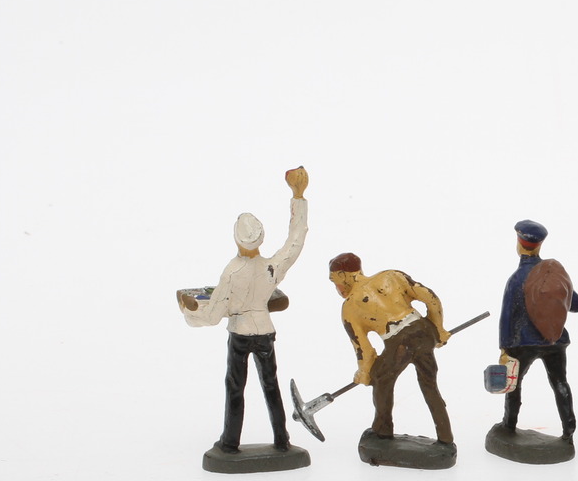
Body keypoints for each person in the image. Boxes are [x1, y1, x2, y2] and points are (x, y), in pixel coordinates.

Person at [182, 167, 308, 453]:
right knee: (271, 386)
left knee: (235, 388)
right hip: (265, 332)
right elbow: (295, 241)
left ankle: (230, 442)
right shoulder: (271, 268)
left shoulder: (231, 272)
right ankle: (282, 439)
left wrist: (190, 313)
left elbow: (212, 316)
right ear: (262, 238)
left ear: (236, 239)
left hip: (240, 334)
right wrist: (298, 196)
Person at [327, 253, 454, 446]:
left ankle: (382, 432)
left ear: (343, 275)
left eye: (334, 280)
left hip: (400, 342)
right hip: (423, 331)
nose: (336, 288)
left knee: (381, 379)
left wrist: (366, 373)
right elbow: (430, 297)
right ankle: (445, 436)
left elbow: (364, 350)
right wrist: (438, 328)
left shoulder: (349, 307)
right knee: (429, 386)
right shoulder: (390, 276)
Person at [497, 220, 578, 440]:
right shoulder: (553, 273)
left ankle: (509, 425)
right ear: (539, 246)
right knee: (560, 382)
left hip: (523, 343)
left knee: (514, 384)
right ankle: (569, 430)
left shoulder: (516, 279)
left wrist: (504, 348)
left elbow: (507, 317)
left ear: (519, 245)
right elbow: (577, 305)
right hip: (555, 341)